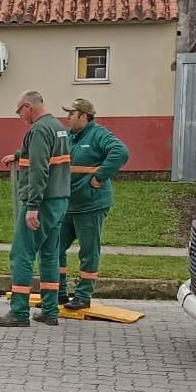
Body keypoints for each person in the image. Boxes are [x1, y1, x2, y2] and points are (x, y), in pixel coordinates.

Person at [0, 91, 70, 327]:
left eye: (19, 112)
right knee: (49, 255)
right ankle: (49, 311)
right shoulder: (57, 126)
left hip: (42, 202)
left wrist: (32, 206)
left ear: (27, 106)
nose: (20, 117)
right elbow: (45, 154)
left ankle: (18, 312)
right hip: (59, 200)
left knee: (22, 253)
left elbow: (39, 169)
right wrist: (18, 155)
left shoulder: (37, 130)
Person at [57, 98, 129, 310]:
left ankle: (83, 296)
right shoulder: (68, 136)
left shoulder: (99, 134)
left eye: (72, 113)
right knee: (54, 247)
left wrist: (99, 177)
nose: (68, 118)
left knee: (88, 251)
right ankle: (59, 293)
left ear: (83, 116)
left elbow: (121, 153)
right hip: (67, 203)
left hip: (91, 204)